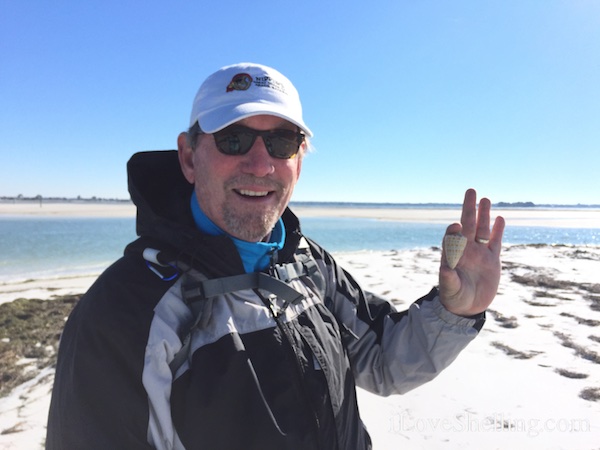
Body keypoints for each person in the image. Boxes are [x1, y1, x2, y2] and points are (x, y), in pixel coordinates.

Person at [46, 62, 505, 450]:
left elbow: (383, 362)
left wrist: (454, 312)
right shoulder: (124, 314)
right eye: (233, 139)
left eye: (282, 143)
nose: (261, 164)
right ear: (189, 158)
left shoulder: (305, 262)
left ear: (299, 163)